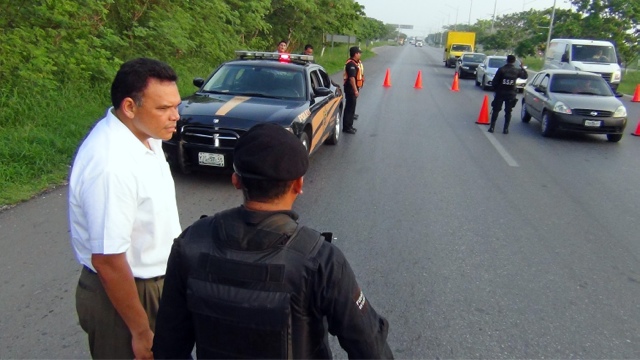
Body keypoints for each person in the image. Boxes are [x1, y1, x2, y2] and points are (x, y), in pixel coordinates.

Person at [152, 123, 394, 359]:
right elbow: (369, 347)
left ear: (236, 180)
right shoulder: (321, 260)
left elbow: (168, 347)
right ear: (299, 184)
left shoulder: (191, 242)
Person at [68, 58, 182, 359]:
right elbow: (107, 259)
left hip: (156, 284)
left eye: (176, 106)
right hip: (127, 294)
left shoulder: (146, 136)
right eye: (163, 108)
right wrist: (141, 331)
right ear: (129, 107)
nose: (175, 116)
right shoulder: (111, 164)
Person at [488, 55, 528, 134]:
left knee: (496, 110)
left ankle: (492, 127)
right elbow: (525, 76)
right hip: (510, 94)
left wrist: (496, 90)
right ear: (514, 61)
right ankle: (505, 129)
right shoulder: (516, 71)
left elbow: (494, 82)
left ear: (507, 60)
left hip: (500, 93)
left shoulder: (501, 69)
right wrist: (522, 67)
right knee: (508, 112)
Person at [343, 46, 365, 134]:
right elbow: (352, 78)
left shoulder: (355, 63)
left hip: (353, 88)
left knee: (351, 108)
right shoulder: (351, 64)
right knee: (349, 108)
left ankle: (349, 126)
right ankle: (347, 127)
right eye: (359, 53)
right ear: (355, 54)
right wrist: (355, 90)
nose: (360, 54)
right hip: (351, 89)